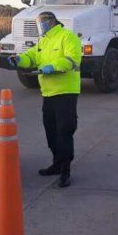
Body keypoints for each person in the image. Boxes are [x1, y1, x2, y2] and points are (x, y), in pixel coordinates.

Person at [9, 12, 82, 188]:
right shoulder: (43, 41)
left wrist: (54, 66)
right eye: (39, 23)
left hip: (65, 91)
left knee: (65, 130)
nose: (41, 26)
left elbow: (72, 60)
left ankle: (65, 169)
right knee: (51, 131)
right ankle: (56, 163)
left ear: (52, 21)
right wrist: (20, 59)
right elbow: (33, 56)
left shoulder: (67, 37)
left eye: (43, 23)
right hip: (48, 93)